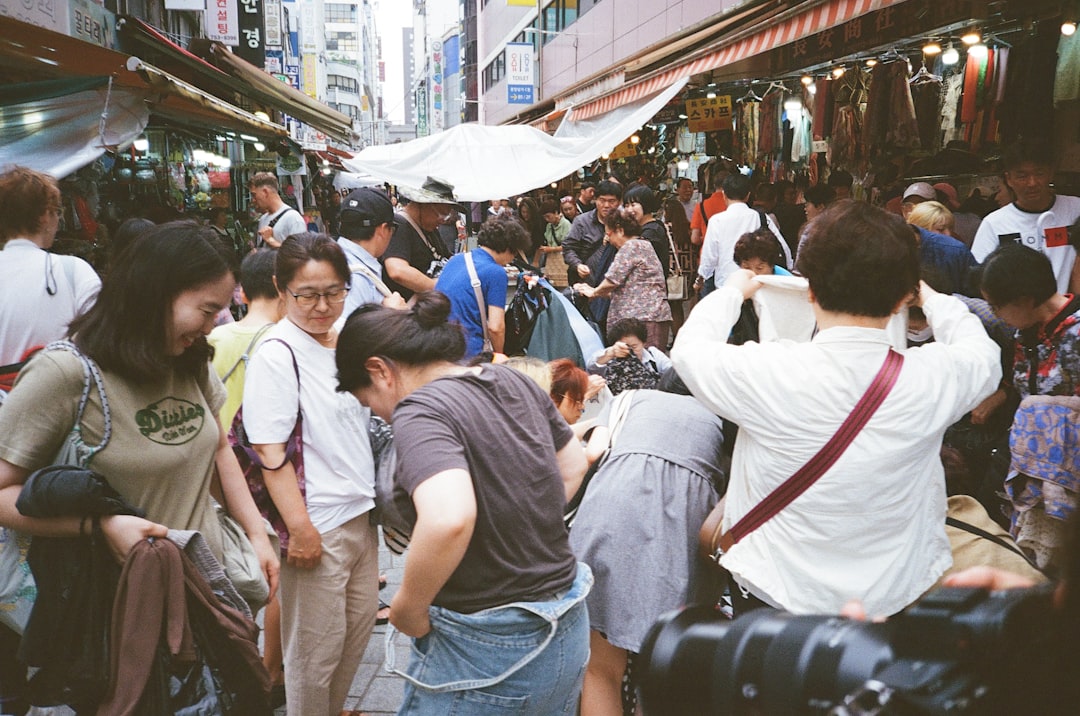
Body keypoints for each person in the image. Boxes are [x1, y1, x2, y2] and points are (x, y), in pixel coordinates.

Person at [672, 200, 1001, 617]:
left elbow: (690, 349)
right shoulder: (933, 377)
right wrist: (932, 298)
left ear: (810, 289)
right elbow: (982, 354)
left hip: (774, 591)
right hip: (896, 596)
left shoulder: (767, 372)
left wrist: (734, 291)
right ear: (903, 297)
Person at [0, 222, 279, 680]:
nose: (213, 326)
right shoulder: (66, 373)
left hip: (207, 597)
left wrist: (255, 532)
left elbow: (218, 453)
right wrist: (100, 524)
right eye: (206, 310)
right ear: (154, 293)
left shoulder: (189, 360)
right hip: (119, 616)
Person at [335, 292, 592, 715]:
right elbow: (572, 465)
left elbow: (449, 518)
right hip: (564, 623)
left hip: (489, 647)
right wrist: (515, 526)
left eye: (370, 405)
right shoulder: (512, 380)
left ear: (379, 371)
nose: (380, 416)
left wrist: (408, 607)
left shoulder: (419, 410)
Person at [241, 233, 378, 716]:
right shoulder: (278, 352)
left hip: (360, 517)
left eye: (334, 292)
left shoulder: (342, 343)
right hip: (317, 524)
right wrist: (299, 530)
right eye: (307, 295)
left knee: (352, 641)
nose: (322, 306)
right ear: (281, 289)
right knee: (313, 657)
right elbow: (267, 451)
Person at [571, 389, 725, 716]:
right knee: (662, 668)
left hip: (611, 510)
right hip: (684, 525)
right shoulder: (725, 415)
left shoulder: (631, 398)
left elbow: (596, 450)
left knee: (600, 668)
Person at [980, 244, 1080, 573]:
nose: (995, 313)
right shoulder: (1025, 334)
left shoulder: (1076, 332)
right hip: (1031, 473)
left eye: (997, 305)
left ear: (1023, 300)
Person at [0, 166, 101, 369]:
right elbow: (102, 343)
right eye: (57, 212)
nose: (59, 219)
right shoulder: (73, 272)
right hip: (61, 396)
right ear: (45, 216)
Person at [972, 139, 1080, 294]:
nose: (1032, 183)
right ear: (1008, 179)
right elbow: (979, 278)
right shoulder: (994, 223)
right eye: (1022, 176)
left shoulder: (1076, 209)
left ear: (1051, 173)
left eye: (1039, 173)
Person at [574, 208, 673, 350]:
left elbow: (611, 281)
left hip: (643, 320)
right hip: (650, 317)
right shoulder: (643, 245)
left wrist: (594, 292)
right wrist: (594, 291)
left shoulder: (631, 246)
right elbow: (627, 290)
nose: (609, 240)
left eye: (609, 234)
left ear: (619, 230)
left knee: (646, 365)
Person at [435, 215, 531, 358]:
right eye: (515, 253)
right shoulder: (496, 272)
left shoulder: (457, 259)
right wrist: (499, 355)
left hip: (439, 344)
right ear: (509, 248)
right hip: (469, 351)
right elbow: (496, 327)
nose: (512, 259)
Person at [208, 248, 283, 428]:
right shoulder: (286, 342)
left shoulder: (212, 339)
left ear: (242, 295)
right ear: (285, 291)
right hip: (267, 449)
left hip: (222, 447)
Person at [696, 173, 788, 297]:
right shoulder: (760, 217)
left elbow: (709, 257)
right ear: (748, 195)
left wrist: (701, 278)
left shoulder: (716, 221)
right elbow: (783, 247)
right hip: (755, 286)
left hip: (726, 287)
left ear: (724, 195)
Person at [382, 177, 458, 300]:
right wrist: (438, 287)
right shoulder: (399, 225)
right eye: (441, 214)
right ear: (424, 204)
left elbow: (447, 257)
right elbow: (397, 270)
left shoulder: (431, 230)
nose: (443, 220)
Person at [336, 186, 407, 317]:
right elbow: (348, 335)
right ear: (383, 229)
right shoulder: (356, 277)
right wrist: (391, 316)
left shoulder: (332, 258)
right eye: (393, 228)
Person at [563, 180, 622, 286]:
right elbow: (568, 248)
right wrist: (578, 265)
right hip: (587, 283)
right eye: (602, 200)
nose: (606, 205)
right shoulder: (581, 222)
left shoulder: (624, 223)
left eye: (611, 201)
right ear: (595, 200)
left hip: (615, 284)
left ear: (619, 202)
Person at [586, 317, 672, 379]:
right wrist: (609, 354)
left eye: (634, 346)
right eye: (625, 347)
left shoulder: (654, 355)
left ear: (643, 343)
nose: (630, 351)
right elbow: (591, 368)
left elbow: (674, 373)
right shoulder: (608, 357)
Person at [623, 184, 669, 278]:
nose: (629, 210)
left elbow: (634, 259)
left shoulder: (652, 231)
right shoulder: (644, 227)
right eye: (626, 206)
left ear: (645, 204)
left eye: (633, 205)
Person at [250, 172, 306, 250]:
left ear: (265, 192)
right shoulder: (263, 219)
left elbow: (300, 254)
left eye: (254, 195)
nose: (253, 200)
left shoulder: (293, 218)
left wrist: (271, 240)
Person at [689, 173, 728, 247]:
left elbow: (694, 239)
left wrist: (706, 238)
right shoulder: (733, 205)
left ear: (714, 185)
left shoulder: (700, 206)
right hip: (729, 253)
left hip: (707, 252)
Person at [538, 199, 571, 266]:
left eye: (548, 216)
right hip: (551, 260)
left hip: (563, 260)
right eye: (544, 217)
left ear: (556, 212)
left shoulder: (566, 224)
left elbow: (568, 246)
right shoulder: (549, 226)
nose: (547, 219)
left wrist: (551, 249)